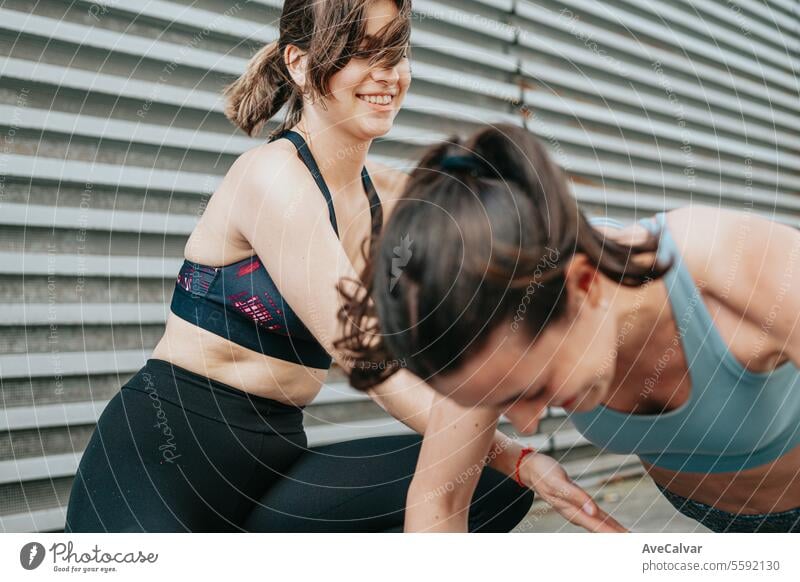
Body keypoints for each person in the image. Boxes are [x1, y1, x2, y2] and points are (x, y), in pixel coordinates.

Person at [65, 1, 617, 533]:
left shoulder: (389, 197)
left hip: (276, 467)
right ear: (300, 63)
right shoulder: (271, 178)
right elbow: (373, 365)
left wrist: (521, 464)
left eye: (396, 51)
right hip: (164, 462)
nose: (387, 74)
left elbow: (525, 243)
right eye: (360, 51)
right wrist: (517, 456)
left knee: (492, 487)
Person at [337, 123, 800, 533]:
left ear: (585, 284)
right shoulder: (492, 317)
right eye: (503, 402)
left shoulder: (731, 264)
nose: (526, 422)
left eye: (536, 389)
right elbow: (438, 502)